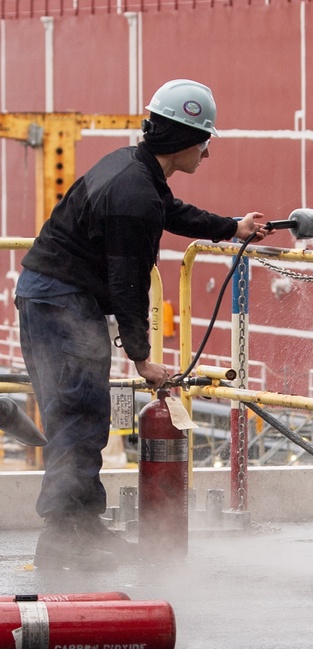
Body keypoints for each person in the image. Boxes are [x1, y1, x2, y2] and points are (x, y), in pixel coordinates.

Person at [15, 79, 273, 570]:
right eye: (205, 141)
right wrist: (143, 360)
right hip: (61, 303)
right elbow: (129, 283)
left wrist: (231, 227)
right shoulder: (133, 193)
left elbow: (167, 210)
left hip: (54, 297)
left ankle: (79, 529)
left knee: (80, 415)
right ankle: (67, 537)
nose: (208, 153)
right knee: (78, 416)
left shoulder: (132, 168)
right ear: (184, 140)